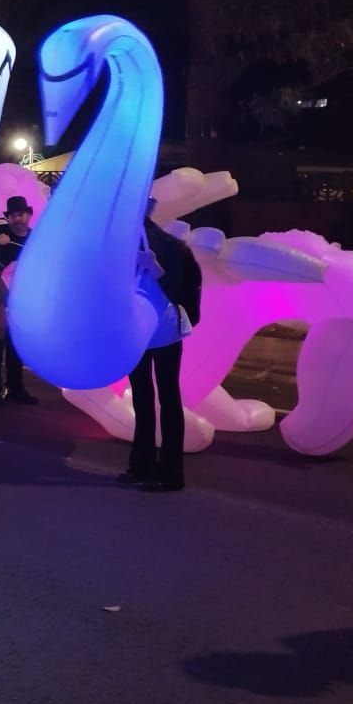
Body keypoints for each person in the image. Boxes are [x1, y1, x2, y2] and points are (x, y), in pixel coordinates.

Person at [120, 198, 201, 493]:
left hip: (164, 330)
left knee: (167, 397)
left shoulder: (169, 246)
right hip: (136, 332)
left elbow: (185, 286)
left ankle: (170, 472)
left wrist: (156, 269)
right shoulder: (122, 242)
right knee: (142, 397)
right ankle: (141, 464)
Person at [0, 194, 37, 405]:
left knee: (16, 346)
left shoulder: (34, 238)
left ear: (28, 215)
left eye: (21, 214)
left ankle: (15, 389)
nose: (17, 219)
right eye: (13, 215)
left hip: (21, 301)